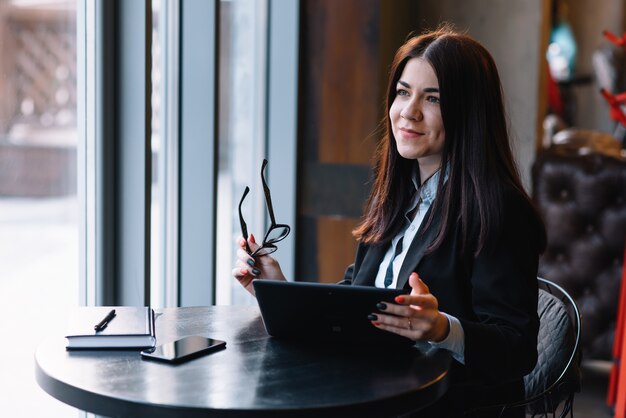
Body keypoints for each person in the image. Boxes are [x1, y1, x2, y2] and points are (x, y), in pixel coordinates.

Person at [232, 26, 546, 418]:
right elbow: (355, 296)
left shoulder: (498, 208)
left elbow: (516, 349)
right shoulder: (396, 193)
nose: (409, 111)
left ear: (469, 110)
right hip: (369, 392)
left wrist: (442, 329)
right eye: (403, 92)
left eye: (433, 98)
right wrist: (274, 288)